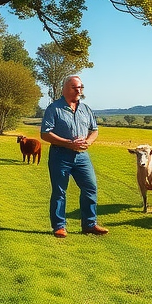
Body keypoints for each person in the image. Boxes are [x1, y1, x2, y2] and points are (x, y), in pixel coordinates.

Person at [41, 75, 108, 238]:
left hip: (82, 156)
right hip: (60, 155)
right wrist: (68, 143)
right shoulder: (54, 108)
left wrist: (88, 142)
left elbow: (95, 130)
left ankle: (89, 224)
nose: (79, 90)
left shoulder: (86, 109)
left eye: (81, 87)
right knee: (59, 191)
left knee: (90, 187)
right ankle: (59, 226)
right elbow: (45, 133)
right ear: (65, 89)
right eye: (75, 87)